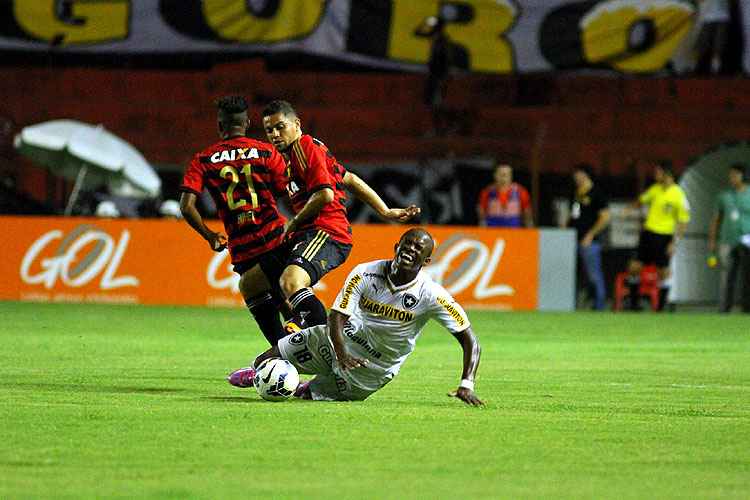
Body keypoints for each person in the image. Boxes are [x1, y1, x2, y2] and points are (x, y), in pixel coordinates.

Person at [228, 228, 484, 406]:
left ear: (426, 260)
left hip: (373, 369)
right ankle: (258, 374)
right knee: (266, 357)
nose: (410, 249)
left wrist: (467, 384)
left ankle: (301, 386)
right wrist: (341, 354)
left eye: (418, 248)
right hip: (340, 341)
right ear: (397, 247)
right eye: (407, 243)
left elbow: (470, 339)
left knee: (308, 396)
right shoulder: (366, 272)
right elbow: (337, 316)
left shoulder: (432, 295)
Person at [259, 99, 420, 332]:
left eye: (280, 127)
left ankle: (324, 336)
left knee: (290, 280)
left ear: (296, 124)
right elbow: (350, 178)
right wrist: (385, 210)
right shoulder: (299, 154)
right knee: (260, 279)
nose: (274, 134)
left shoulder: (305, 147)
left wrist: (293, 223)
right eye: (269, 130)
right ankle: (292, 338)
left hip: (327, 231)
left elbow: (324, 195)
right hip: (310, 232)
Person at [179, 96, 291, 346]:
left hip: (242, 249)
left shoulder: (203, 160)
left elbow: (186, 207)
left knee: (263, 299)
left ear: (220, 126)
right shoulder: (266, 151)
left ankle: (283, 355)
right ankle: (307, 353)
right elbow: (288, 191)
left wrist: (209, 235)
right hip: (274, 238)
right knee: (284, 296)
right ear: (248, 123)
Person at [626, 160, 690, 311]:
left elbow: (683, 221)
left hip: (664, 236)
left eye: (658, 172)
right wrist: (628, 209)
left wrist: (674, 243)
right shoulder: (655, 189)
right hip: (648, 234)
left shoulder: (678, 194)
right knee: (634, 267)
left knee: (663, 272)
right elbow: (641, 200)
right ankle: (634, 305)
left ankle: (660, 308)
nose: (655, 175)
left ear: (666, 174)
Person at [562, 164, 610, 310]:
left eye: (579, 174)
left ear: (586, 175)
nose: (576, 178)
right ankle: (571, 305)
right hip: (572, 239)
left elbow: (605, 217)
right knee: (570, 275)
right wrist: (564, 229)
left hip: (589, 241)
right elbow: (572, 214)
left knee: (594, 275)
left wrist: (591, 234)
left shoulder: (597, 193)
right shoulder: (575, 193)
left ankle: (599, 306)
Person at [707, 163, 750, 312]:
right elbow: (715, 220)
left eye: (735, 175)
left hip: (747, 239)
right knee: (727, 275)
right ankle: (725, 308)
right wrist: (712, 241)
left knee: (747, 276)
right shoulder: (723, 196)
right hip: (727, 240)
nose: (731, 178)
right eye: (730, 175)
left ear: (743, 176)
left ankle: (747, 308)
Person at [477, 163, 534, 228]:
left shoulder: (520, 192)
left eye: (506, 175)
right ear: (495, 175)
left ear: (511, 176)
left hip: (514, 232)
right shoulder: (487, 192)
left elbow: (527, 214)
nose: (503, 178)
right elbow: (481, 215)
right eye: (501, 174)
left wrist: (530, 230)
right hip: (492, 232)